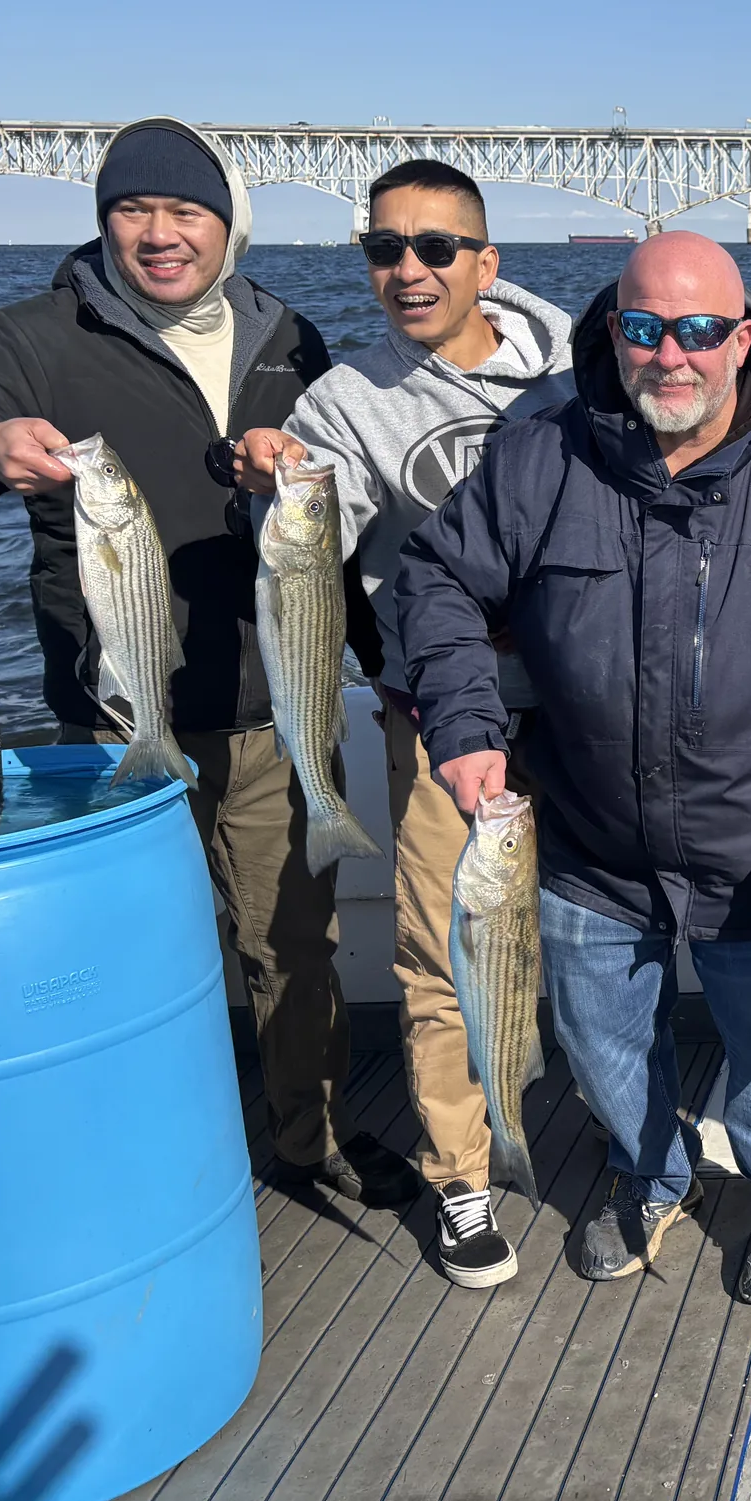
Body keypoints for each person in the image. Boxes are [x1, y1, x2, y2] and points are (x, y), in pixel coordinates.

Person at [0, 117, 417, 1212]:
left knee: (296, 949)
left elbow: (331, 536)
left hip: (270, 716)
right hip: (119, 728)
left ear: (228, 224)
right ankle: (171, 1156)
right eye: (132, 210)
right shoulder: (30, 342)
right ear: (104, 222)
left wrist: (387, 660)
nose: (160, 234)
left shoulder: (290, 339)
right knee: (148, 957)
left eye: (186, 211)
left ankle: (315, 1139)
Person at [391, 230, 751, 1307]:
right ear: (614, 333)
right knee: (602, 1048)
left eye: (699, 331)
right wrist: (462, 725)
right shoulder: (539, 455)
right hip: (589, 846)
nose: (671, 357)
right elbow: (439, 583)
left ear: (743, 338)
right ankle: (650, 1175)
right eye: (645, 330)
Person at [240, 159, 578, 1288]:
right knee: (443, 948)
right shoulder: (344, 402)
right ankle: (462, 1176)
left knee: (629, 924)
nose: (409, 269)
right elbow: (312, 550)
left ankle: (641, 1143)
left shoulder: (580, 366)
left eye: (437, 247)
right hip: (439, 713)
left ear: (488, 263)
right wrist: (278, 484)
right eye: (385, 248)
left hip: (588, 702)